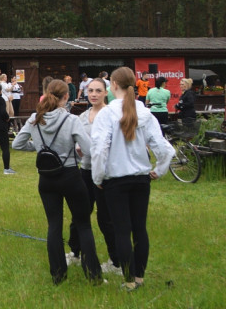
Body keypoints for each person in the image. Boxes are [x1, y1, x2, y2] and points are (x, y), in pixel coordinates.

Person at [90, 67, 174, 291]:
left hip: (116, 180)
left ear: (113, 85)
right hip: (140, 179)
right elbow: (165, 149)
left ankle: (129, 281)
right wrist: (160, 169)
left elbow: (99, 149)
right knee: (139, 228)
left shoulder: (106, 114)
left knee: (121, 230)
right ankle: (139, 278)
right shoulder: (145, 113)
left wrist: (97, 177)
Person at [12, 80, 101, 284]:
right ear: (66, 97)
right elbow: (88, 150)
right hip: (70, 175)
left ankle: (58, 275)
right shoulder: (71, 120)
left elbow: (17, 143)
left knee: (54, 226)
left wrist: (39, 149)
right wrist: (75, 153)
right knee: (83, 225)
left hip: (46, 178)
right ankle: (93, 275)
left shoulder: (36, 118)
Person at [74, 79, 119, 274]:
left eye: (98, 91)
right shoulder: (82, 116)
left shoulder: (111, 115)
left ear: (105, 93)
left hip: (105, 173)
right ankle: (75, 252)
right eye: (90, 90)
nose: (93, 94)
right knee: (80, 213)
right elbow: (78, 140)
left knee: (105, 218)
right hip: (85, 169)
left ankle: (116, 260)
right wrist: (78, 149)